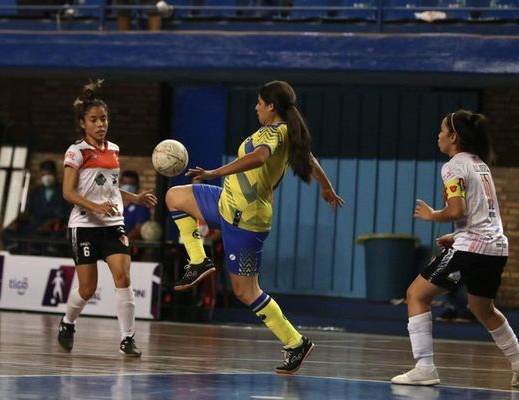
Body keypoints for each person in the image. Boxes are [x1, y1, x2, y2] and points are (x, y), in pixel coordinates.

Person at [165, 80, 344, 374]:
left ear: (271, 106)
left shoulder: (276, 133)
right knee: (174, 196)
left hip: (245, 221)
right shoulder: (279, 132)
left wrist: (215, 171)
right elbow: (308, 158)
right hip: (226, 202)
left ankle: (295, 343)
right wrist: (326, 187)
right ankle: (198, 260)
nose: (256, 107)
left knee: (246, 292)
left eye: (260, 102)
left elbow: (260, 156)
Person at [391, 110, 519, 387]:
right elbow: (482, 212)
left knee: (416, 295)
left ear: (453, 137)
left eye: (441, 130)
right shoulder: (479, 164)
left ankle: (425, 367)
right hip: (495, 247)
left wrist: (432, 215)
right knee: (482, 308)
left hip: (473, 247)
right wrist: (456, 234)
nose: (438, 135)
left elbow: (456, 208)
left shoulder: (453, 166)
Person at [57, 80, 157, 356]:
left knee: (123, 276)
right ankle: (68, 323)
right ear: (82, 123)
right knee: (87, 288)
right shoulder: (75, 152)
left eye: (104, 119)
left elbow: (109, 188)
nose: (100, 124)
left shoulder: (113, 149)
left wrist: (133, 198)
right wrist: (94, 207)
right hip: (85, 226)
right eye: (94, 120)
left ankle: (128, 338)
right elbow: (68, 192)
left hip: (113, 224)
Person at [2, 159, 72, 255]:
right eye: (43, 174)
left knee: (41, 237)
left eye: (49, 174)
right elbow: (27, 212)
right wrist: (16, 221)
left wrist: (53, 222)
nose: (46, 177)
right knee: (7, 233)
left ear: (55, 174)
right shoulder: (35, 192)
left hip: (54, 230)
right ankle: (17, 255)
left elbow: (70, 215)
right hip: (35, 226)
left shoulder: (65, 192)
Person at [120, 170, 151, 241]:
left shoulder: (142, 205)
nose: (127, 187)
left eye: (131, 184)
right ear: (120, 184)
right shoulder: (114, 202)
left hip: (131, 245)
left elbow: (139, 228)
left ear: (137, 185)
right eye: (125, 183)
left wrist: (124, 241)